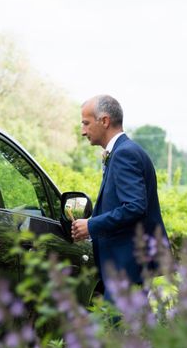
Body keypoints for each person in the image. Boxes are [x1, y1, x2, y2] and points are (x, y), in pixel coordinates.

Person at [71, 95, 168, 302]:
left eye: (86, 123)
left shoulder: (125, 154)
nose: (83, 131)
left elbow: (134, 206)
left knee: (114, 331)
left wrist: (91, 225)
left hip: (128, 267)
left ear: (104, 121)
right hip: (125, 267)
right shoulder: (122, 151)